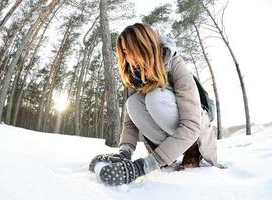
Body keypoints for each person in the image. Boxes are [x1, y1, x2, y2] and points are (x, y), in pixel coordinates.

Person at [89, 23, 221, 186]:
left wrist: (142, 167)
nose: (128, 57)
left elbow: (191, 125)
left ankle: (191, 151)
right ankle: (167, 155)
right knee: (133, 103)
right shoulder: (134, 76)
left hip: (194, 130)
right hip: (169, 135)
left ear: (146, 45)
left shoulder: (175, 65)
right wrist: (124, 152)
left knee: (154, 98)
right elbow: (130, 122)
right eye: (124, 51)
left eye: (132, 49)